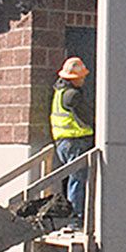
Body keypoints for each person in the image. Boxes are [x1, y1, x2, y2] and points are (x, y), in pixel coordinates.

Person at [51, 57, 95, 227]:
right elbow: (88, 117)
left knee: (73, 179)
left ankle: (71, 217)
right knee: (78, 180)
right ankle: (75, 220)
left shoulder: (60, 92)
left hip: (63, 143)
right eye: (81, 77)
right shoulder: (72, 95)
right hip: (75, 142)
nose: (83, 79)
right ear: (74, 78)